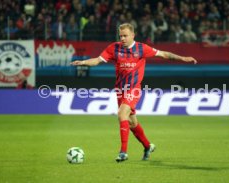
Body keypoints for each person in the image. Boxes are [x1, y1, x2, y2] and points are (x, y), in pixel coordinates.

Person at [71, 23, 197, 162]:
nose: (123, 38)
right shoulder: (114, 48)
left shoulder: (142, 48)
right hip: (120, 90)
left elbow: (164, 54)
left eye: (125, 36)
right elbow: (97, 61)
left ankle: (123, 152)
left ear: (132, 35)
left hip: (134, 88)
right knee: (131, 123)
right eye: (121, 36)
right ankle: (148, 146)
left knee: (121, 114)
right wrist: (83, 62)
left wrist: (183, 58)